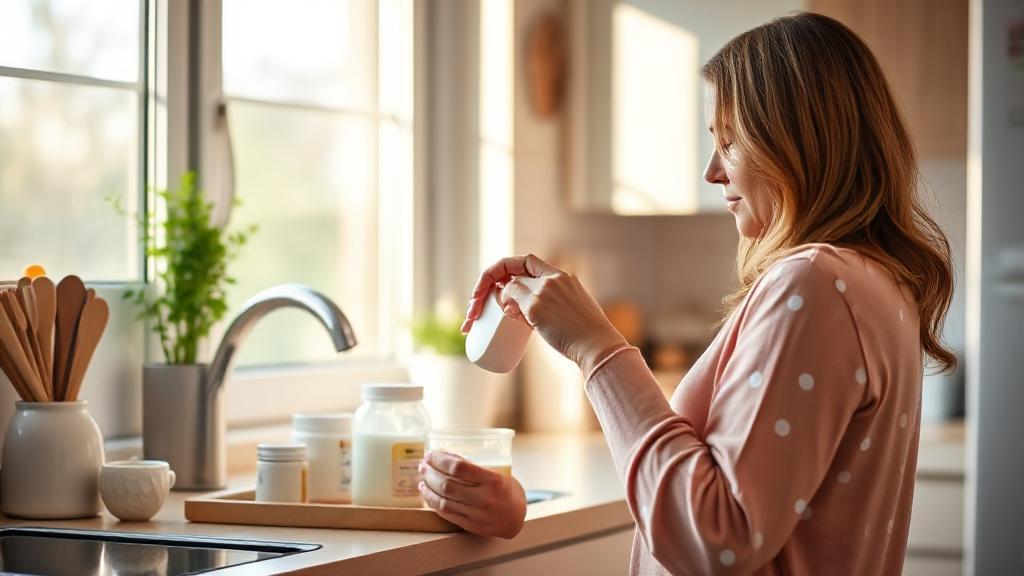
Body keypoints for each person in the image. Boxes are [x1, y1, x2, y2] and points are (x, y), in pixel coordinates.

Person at [419, 11, 955, 574]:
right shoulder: (876, 281)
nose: (712, 172)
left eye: (732, 141)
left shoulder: (816, 282)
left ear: (802, 142)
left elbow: (714, 537)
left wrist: (597, 348)